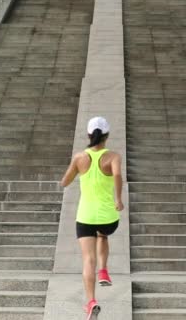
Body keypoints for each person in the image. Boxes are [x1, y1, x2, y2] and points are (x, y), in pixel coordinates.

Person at [60, 116, 124, 320]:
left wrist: (77, 170)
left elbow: (64, 182)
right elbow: (117, 176)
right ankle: (104, 271)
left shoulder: (80, 157)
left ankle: (91, 302)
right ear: (107, 135)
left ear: (89, 134)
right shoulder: (113, 156)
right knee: (103, 235)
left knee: (88, 260)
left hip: (85, 216)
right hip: (108, 217)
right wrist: (118, 199)